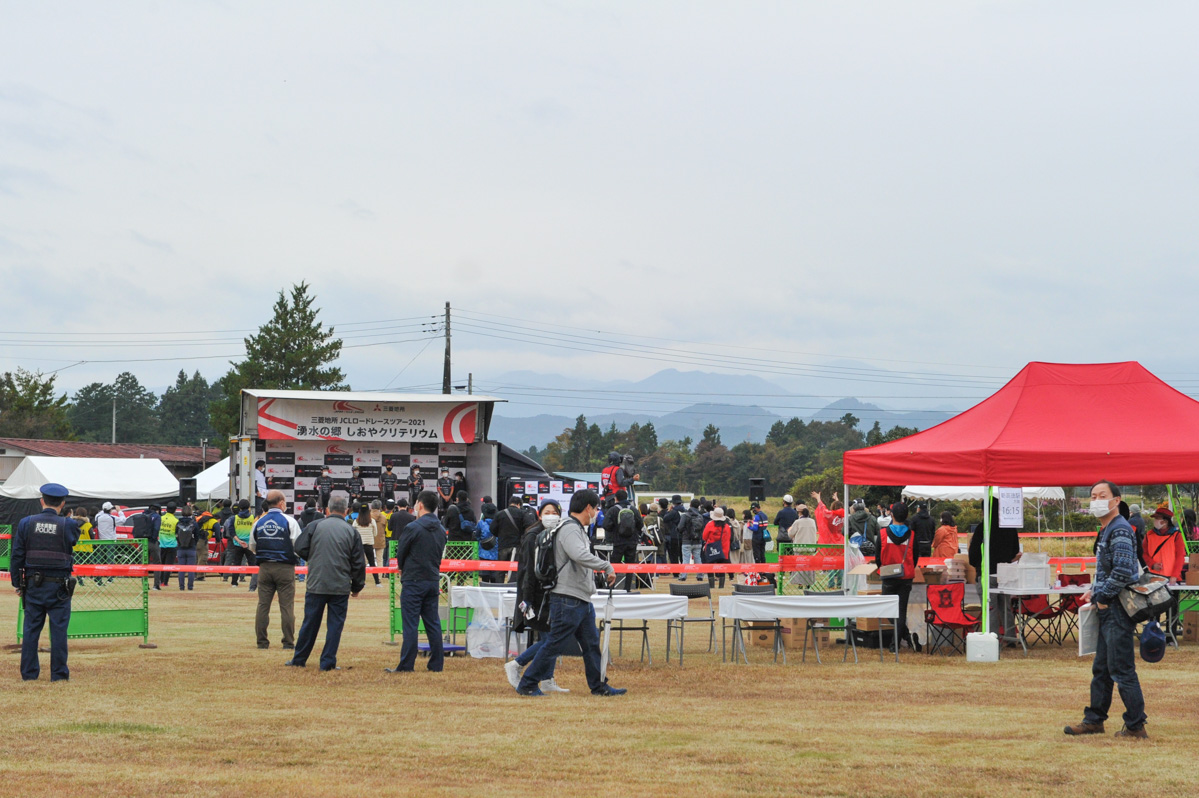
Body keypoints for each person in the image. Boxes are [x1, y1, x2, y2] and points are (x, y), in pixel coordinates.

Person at [515, 489, 624, 697]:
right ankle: (527, 683)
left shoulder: (573, 528)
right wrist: (606, 566)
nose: (596, 513)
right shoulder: (570, 529)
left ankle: (598, 685)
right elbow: (579, 555)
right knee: (555, 643)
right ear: (588, 508)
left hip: (579, 597)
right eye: (596, 508)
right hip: (567, 597)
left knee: (591, 644)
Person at [1064, 481, 1148, 739]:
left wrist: (1102, 596)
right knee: (1101, 668)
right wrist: (1094, 588)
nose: (1096, 500)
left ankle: (1135, 725)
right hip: (1107, 606)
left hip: (1117, 609)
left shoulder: (1120, 529)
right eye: (1092, 496)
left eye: (1102, 496)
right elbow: (1109, 569)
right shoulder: (1107, 529)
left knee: (1121, 669)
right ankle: (1094, 719)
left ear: (1116, 501)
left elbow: (1124, 571)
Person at [287, 496, 366, 671]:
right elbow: (358, 563)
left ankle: (299, 659)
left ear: (327, 510)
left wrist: (313, 557)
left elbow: (299, 547)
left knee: (310, 623)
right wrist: (356, 587)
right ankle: (328, 662)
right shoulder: (351, 531)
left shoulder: (315, 526)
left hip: (317, 583)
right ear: (346, 511)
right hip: (340, 585)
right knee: (335, 626)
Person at [10, 483, 79, 681]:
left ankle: (29, 674)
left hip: (33, 585)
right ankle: (59, 674)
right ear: (63, 503)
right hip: (60, 587)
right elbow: (72, 541)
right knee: (59, 631)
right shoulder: (69, 525)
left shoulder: (26, 523)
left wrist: (17, 583)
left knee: (31, 629)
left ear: (41, 501)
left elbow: (17, 555)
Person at [505, 500, 570, 693]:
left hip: (551, 592)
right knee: (550, 638)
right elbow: (527, 571)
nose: (551, 515)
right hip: (537, 594)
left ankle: (548, 678)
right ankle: (517, 663)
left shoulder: (555, 534)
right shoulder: (533, 536)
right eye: (547, 512)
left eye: (554, 512)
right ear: (539, 514)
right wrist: (528, 598)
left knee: (550, 635)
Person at [386, 490, 447, 673]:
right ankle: (436, 664)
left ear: (419, 505)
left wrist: (402, 568)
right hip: (432, 579)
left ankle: (406, 665)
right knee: (433, 623)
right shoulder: (441, 529)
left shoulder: (413, 528)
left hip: (413, 580)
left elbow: (401, 553)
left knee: (411, 624)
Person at [250, 490, 301, 650]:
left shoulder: (258, 522)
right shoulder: (289, 521)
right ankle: (288, 642)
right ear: (281, 503)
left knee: (263, 605)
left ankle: (262, 642)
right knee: (286, 606)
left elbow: (253, 546)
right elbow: (298, 546)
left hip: (264, 568)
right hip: (285, 568)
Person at [968, 499, 1021, 639]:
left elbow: (973, 555)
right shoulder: (1010, 528)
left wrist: (977, 565)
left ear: (983, 511)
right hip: (1005, 573)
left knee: (990, 608)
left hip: (987, 573)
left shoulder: (982, 528)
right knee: (1006, 608)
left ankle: (992, 638)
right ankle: (1011, 637)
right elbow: (1015, 551)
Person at [876, 502, 919, 651]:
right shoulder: (912, 535)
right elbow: (916, 558)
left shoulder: (882, 534)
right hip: (906, 575)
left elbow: (877, 558)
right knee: (901, 611)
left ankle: (897, 644)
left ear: (891, 514)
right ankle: (903, 638)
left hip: (888, 575)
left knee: (888, 610)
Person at [603, 489, 643, 591]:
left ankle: (610, 587)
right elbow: (640, 524)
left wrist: (615, 529)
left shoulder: (613, 510)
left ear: (616, 498)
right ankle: (628, 588)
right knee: (630, 566)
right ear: (627, 497)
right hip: (632, 542)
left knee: (614, 565)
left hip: (618, 541)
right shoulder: (634, 509)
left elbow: (606, 525)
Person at [1143, 505, 1185, 583]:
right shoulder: (1149, 535)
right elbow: (1144, 553)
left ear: (1165, 521)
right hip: (1153, 576)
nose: (1155, 521)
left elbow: (1180, 556)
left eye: (1157, 518)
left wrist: (1175, 575)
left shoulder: (1176, 535)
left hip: (1171, 577)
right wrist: (1152, 564)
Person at [491, 495, 526, 584]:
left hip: (503, 545)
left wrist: (500, 535)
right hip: (516, 546)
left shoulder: (499, 514)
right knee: (514, 569)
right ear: (518, 504)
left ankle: (499, 587)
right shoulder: (522, 513)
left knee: (500, 569)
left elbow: (492, 529)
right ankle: (512, 587)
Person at [225, 499, 258, 591]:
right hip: (249, 544)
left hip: (237, 544)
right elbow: (255, 531)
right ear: (248, 507)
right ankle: (254, 583)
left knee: (236, 563)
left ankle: (234, 582)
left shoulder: (234, 518)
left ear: (239, 507)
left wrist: (239, 541)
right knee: (253, 564)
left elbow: (231, 532)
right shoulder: (253, 518)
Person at [702, 507, 733, 590]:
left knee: (710, 567)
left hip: (711, 549)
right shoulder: (726, 526)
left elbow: (704, 537)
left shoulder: (710, 524)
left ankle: (711, 586)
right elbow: (729, 538)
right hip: (723, 549)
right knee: (722, 568)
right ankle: (721, 586)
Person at [353, 502, 382, 587]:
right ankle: (377, 582)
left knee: (361, 564)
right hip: (369, 544)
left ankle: (362, 582)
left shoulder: (356, 521)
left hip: (360, 544)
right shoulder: (371, 521)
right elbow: (375, 533)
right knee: (372, 562)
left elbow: (353, 533)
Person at [677, 498, 705, 581]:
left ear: (690, 505)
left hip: (686, 540)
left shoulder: (685, 515)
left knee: (686, 558)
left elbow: (680, 527)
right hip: (697, 540)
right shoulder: (700, 516)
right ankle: (700, 575)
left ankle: (683, 576)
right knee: (698, 558)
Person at [174, 505, 199, 591]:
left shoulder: (178, 523)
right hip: (191, 548)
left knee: (181, 569)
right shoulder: (194, 524)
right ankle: (190, 586)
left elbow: (176, 535)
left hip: (181, 548)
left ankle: (181, 586)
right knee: (191, 569)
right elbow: (197, 536)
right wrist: (194, 543)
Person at [748, 502, 773, 585]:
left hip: (756, 538)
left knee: (757, 555)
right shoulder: (765, 515)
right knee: (762, 554)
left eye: (753, 509)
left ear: (755, 508)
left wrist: (749, 525)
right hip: (763, 537)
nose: (752, 511)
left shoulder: (756, 516)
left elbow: (755, 528)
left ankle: (758, 571)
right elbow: (763, 525)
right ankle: (764, 569)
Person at [157, 501, 180, 590]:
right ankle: (165, 582)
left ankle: (160, 580)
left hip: (161, 543)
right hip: (172, 544)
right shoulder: (176, 521)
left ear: (166, 509)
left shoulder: (160, 518)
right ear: (175, 510)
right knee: (168, 564)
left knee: (161, 563)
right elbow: (177, 533)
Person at [662, 495, 684, 578]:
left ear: (673, 503)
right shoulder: (685, 510)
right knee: (682, 555)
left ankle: (676, 572)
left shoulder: (673, 511)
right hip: (683, 535)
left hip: (674, 535)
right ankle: (684, 570)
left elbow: (665, 518)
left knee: (674, 555)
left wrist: (668, 511)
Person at [370, 500, 387, 572]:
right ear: (380, 507)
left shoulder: (367, 516)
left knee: (365, 560)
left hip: (369, 540)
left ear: (371, 506)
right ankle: (379, 577)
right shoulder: (384, 517)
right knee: (380, 560)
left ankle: (364, 578)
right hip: (380, 540)